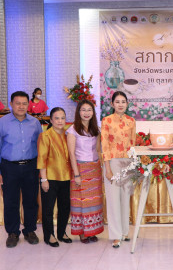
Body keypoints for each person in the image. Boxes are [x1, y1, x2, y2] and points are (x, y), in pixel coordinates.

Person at [0, 91, 42, 248]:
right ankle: (12, 233)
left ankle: (29, 230)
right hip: (9, 168)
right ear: (11, 104)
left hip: (31, 167)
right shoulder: (2, 123)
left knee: (31, 201)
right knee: (11, 201)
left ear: (29, 105)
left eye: (24, 103)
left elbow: (41, 147)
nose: (21, 106)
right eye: (18, 103)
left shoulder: (35, 123)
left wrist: (41, 168)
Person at [101, 91, 136, 248]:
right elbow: (105, 146)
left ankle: (124, 231)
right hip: (113, 162)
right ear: (112, 104)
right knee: (113, 199)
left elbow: (133, 144)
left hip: (128, 162)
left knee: (124, 197)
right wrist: (107, 168)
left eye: (123, 101)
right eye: (117, 101)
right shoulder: (106, 121)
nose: (121, 104)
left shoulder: (131, 121)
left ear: (127, 104)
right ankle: (115, 235)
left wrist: (133, 166)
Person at [67, 100, 104, 244]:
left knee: (93, 202)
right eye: (83, 110)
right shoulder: (72, 130)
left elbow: (98, 150)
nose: (86, 113)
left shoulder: (96, 129)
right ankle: (82, 233)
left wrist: (101, 168)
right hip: (80, 168)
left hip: (94, 169)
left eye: (89, 110)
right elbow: (71, 154)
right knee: (80, 202)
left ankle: (92, 231)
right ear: (78, 112)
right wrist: (76, 174)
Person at [37, 107, 72, 247]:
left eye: (62, 118)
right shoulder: (45, 136)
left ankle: (62, 232)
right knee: (48, 209)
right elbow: (41, 159)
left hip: (66, 177)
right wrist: (43, 179)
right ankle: (49, 235)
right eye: (56, 118)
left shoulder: (67, 134)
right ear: (51, 120)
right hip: (50, 178)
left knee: (65, 207)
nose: (60, 121)